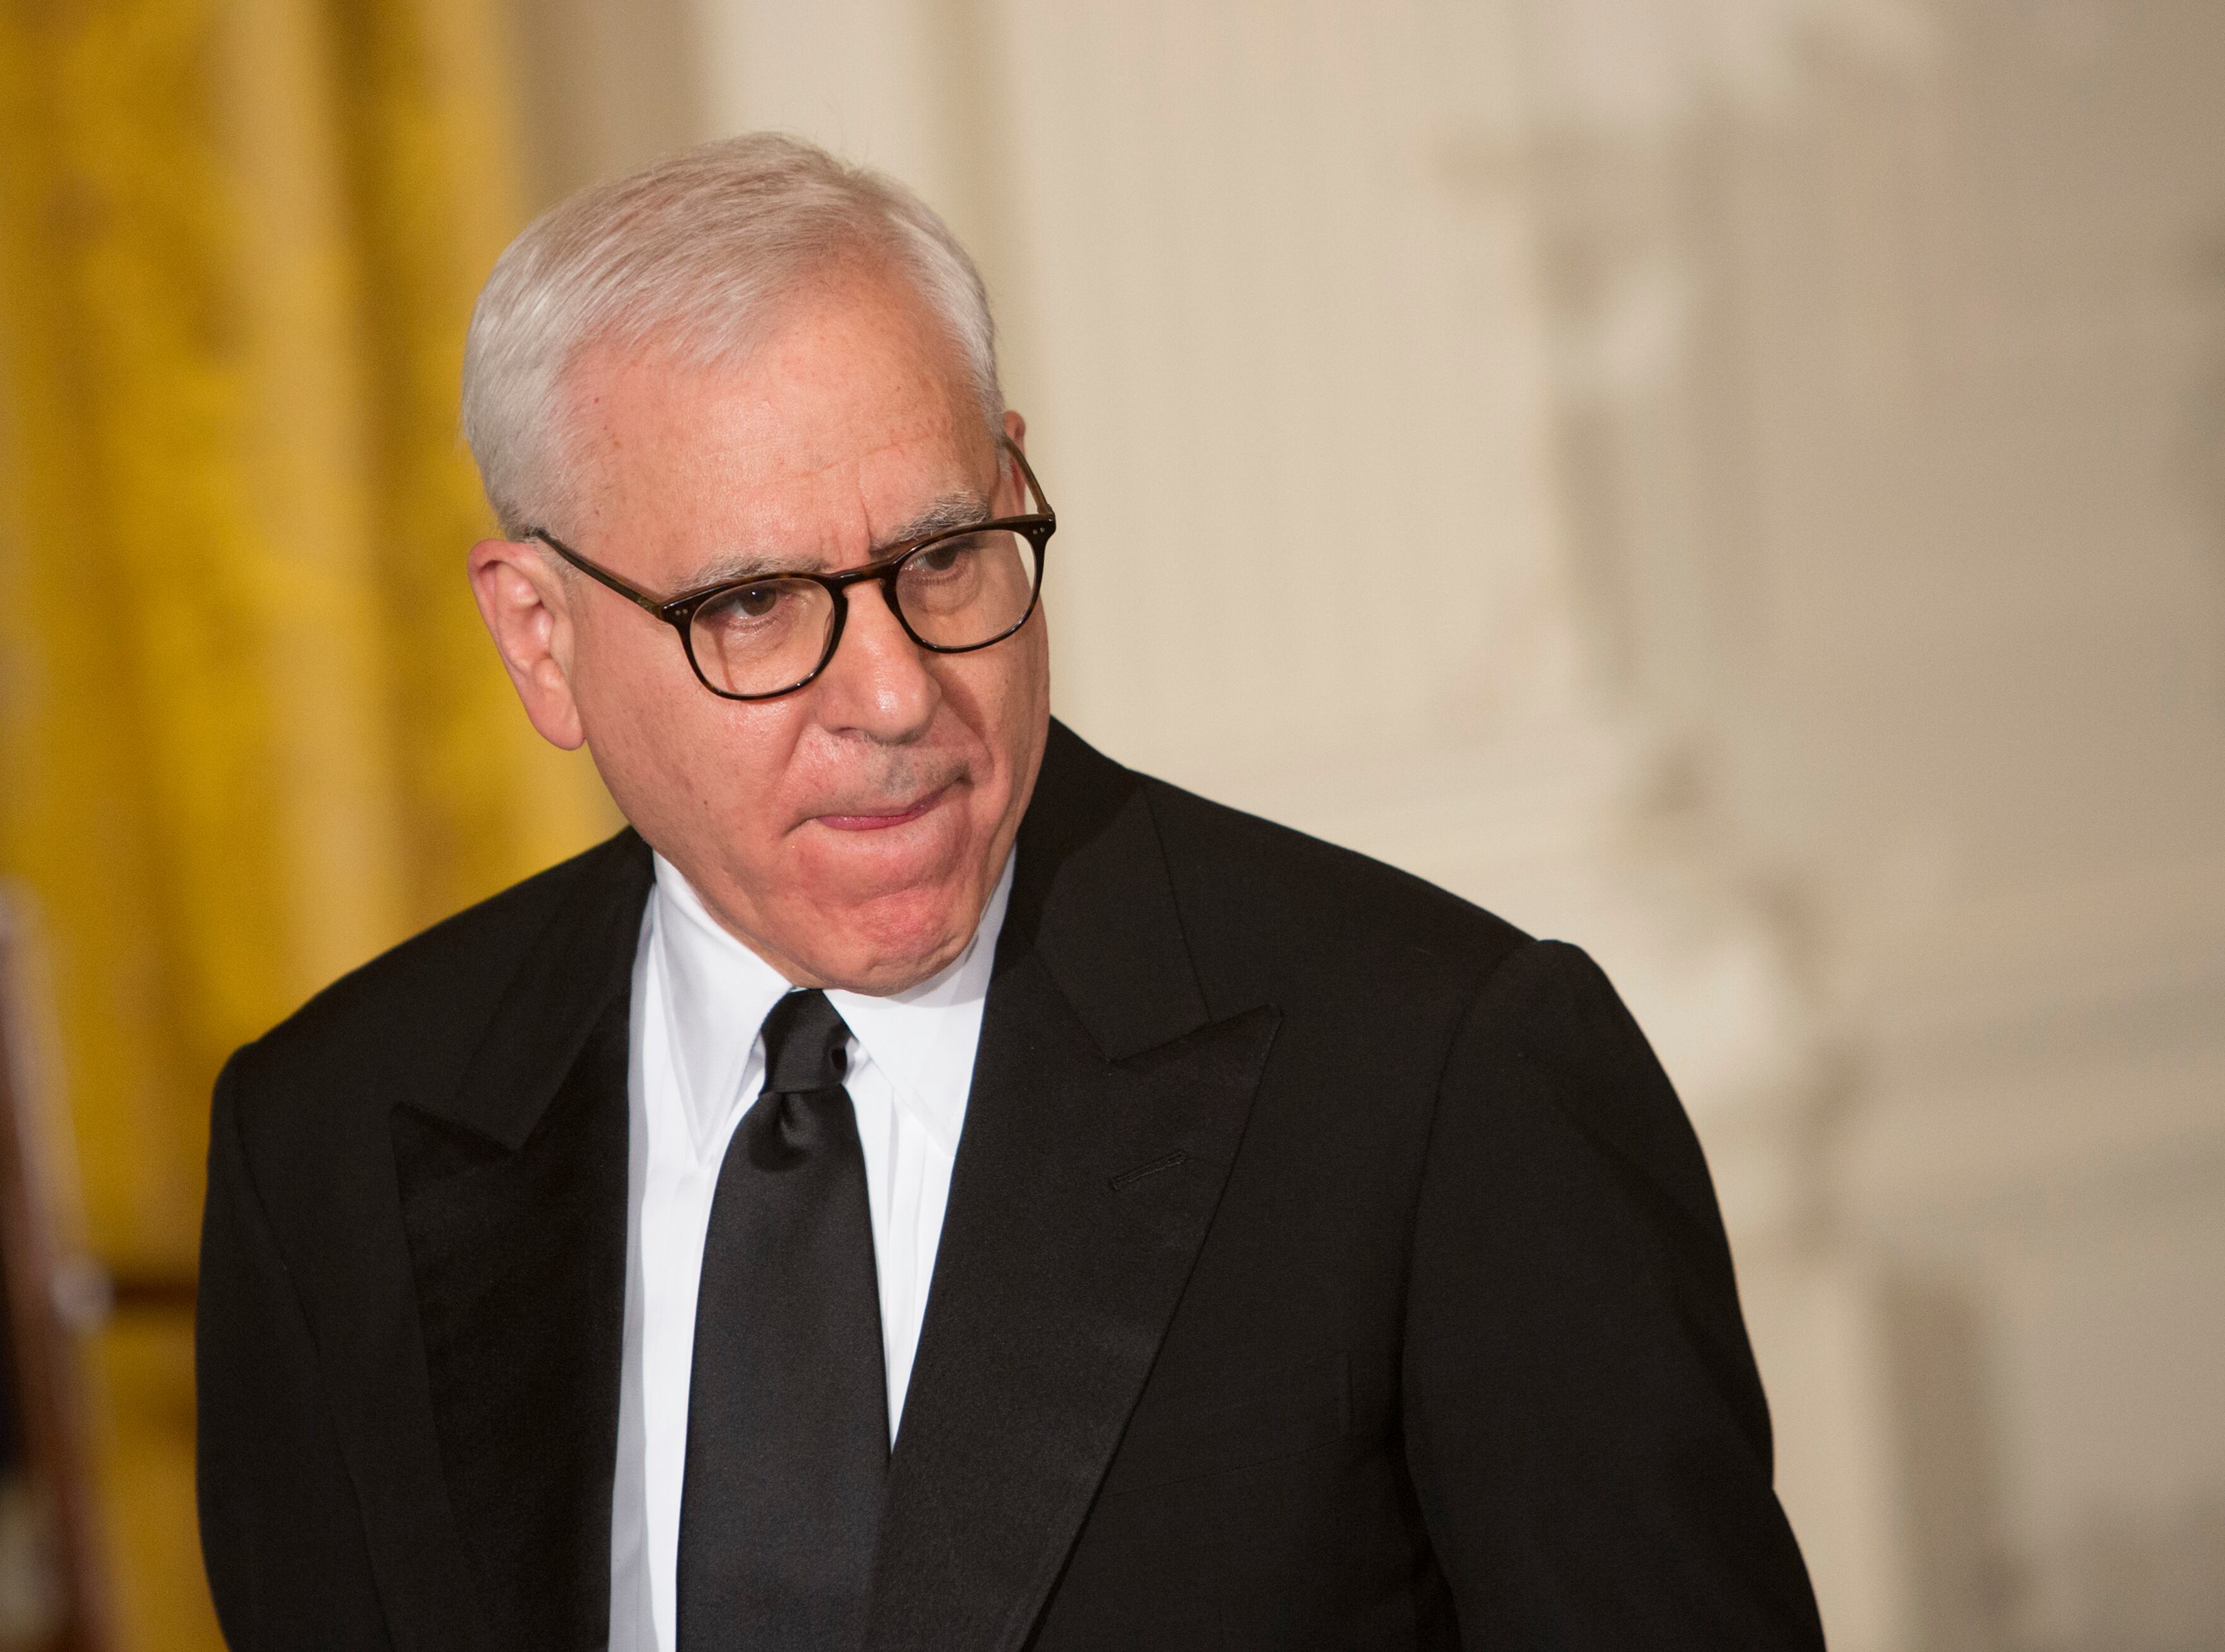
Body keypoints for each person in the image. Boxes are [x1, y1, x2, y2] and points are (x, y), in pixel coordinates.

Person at [195, 133, 1823, 1652]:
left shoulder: (1439, 1080)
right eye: (756, 605)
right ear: (541, 637)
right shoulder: (327, 1144)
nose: (898, 694)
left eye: (947, 557)